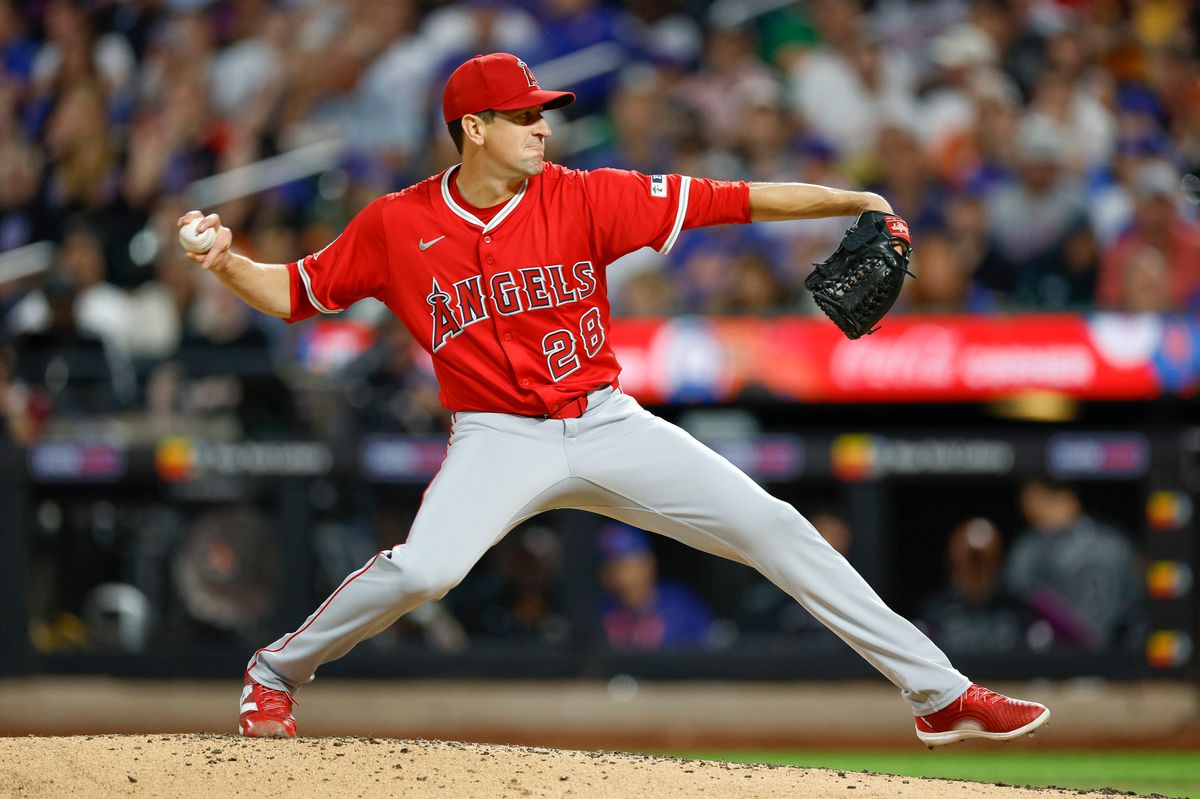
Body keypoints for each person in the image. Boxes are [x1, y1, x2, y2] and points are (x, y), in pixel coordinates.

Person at [180, 52, 1048, 746]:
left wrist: (853, 198)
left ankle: (938, 693)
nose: (542, 127)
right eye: (523, 116)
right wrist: (226, 261)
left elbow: (732, 202)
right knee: (426, 570)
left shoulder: (587, 194)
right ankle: (276, 671)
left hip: (604, 421)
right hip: (498, 437)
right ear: (473, 129)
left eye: (543, 113)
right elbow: (293, 293)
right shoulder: (396, 224)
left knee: (775, 525)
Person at [1003, 479, 1143, 652]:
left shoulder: (1031, 546)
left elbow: (1015, 597)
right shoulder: (1120, 541)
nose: (1026, 511)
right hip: (1116, 658)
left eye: (1028, 500)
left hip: (1053, 659)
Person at [596, 522, 714, 650]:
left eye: (623, 566)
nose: (618, 576)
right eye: (609, 568)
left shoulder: (682, 605)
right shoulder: (600, 613)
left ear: (648, 563)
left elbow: (709, 648)